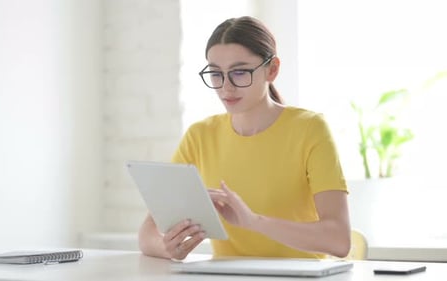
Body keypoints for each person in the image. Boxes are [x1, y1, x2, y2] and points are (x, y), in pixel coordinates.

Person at [138, 16, 351, 260]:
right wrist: (165, 247)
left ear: (272, 69)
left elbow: (339, 240)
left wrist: (254, 222)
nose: (226, 87)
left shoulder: (310, 128)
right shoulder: (200, 136)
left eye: (239, 72)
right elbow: (147, 232)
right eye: (216, 74)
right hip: (226, 276)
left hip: (299, 276)